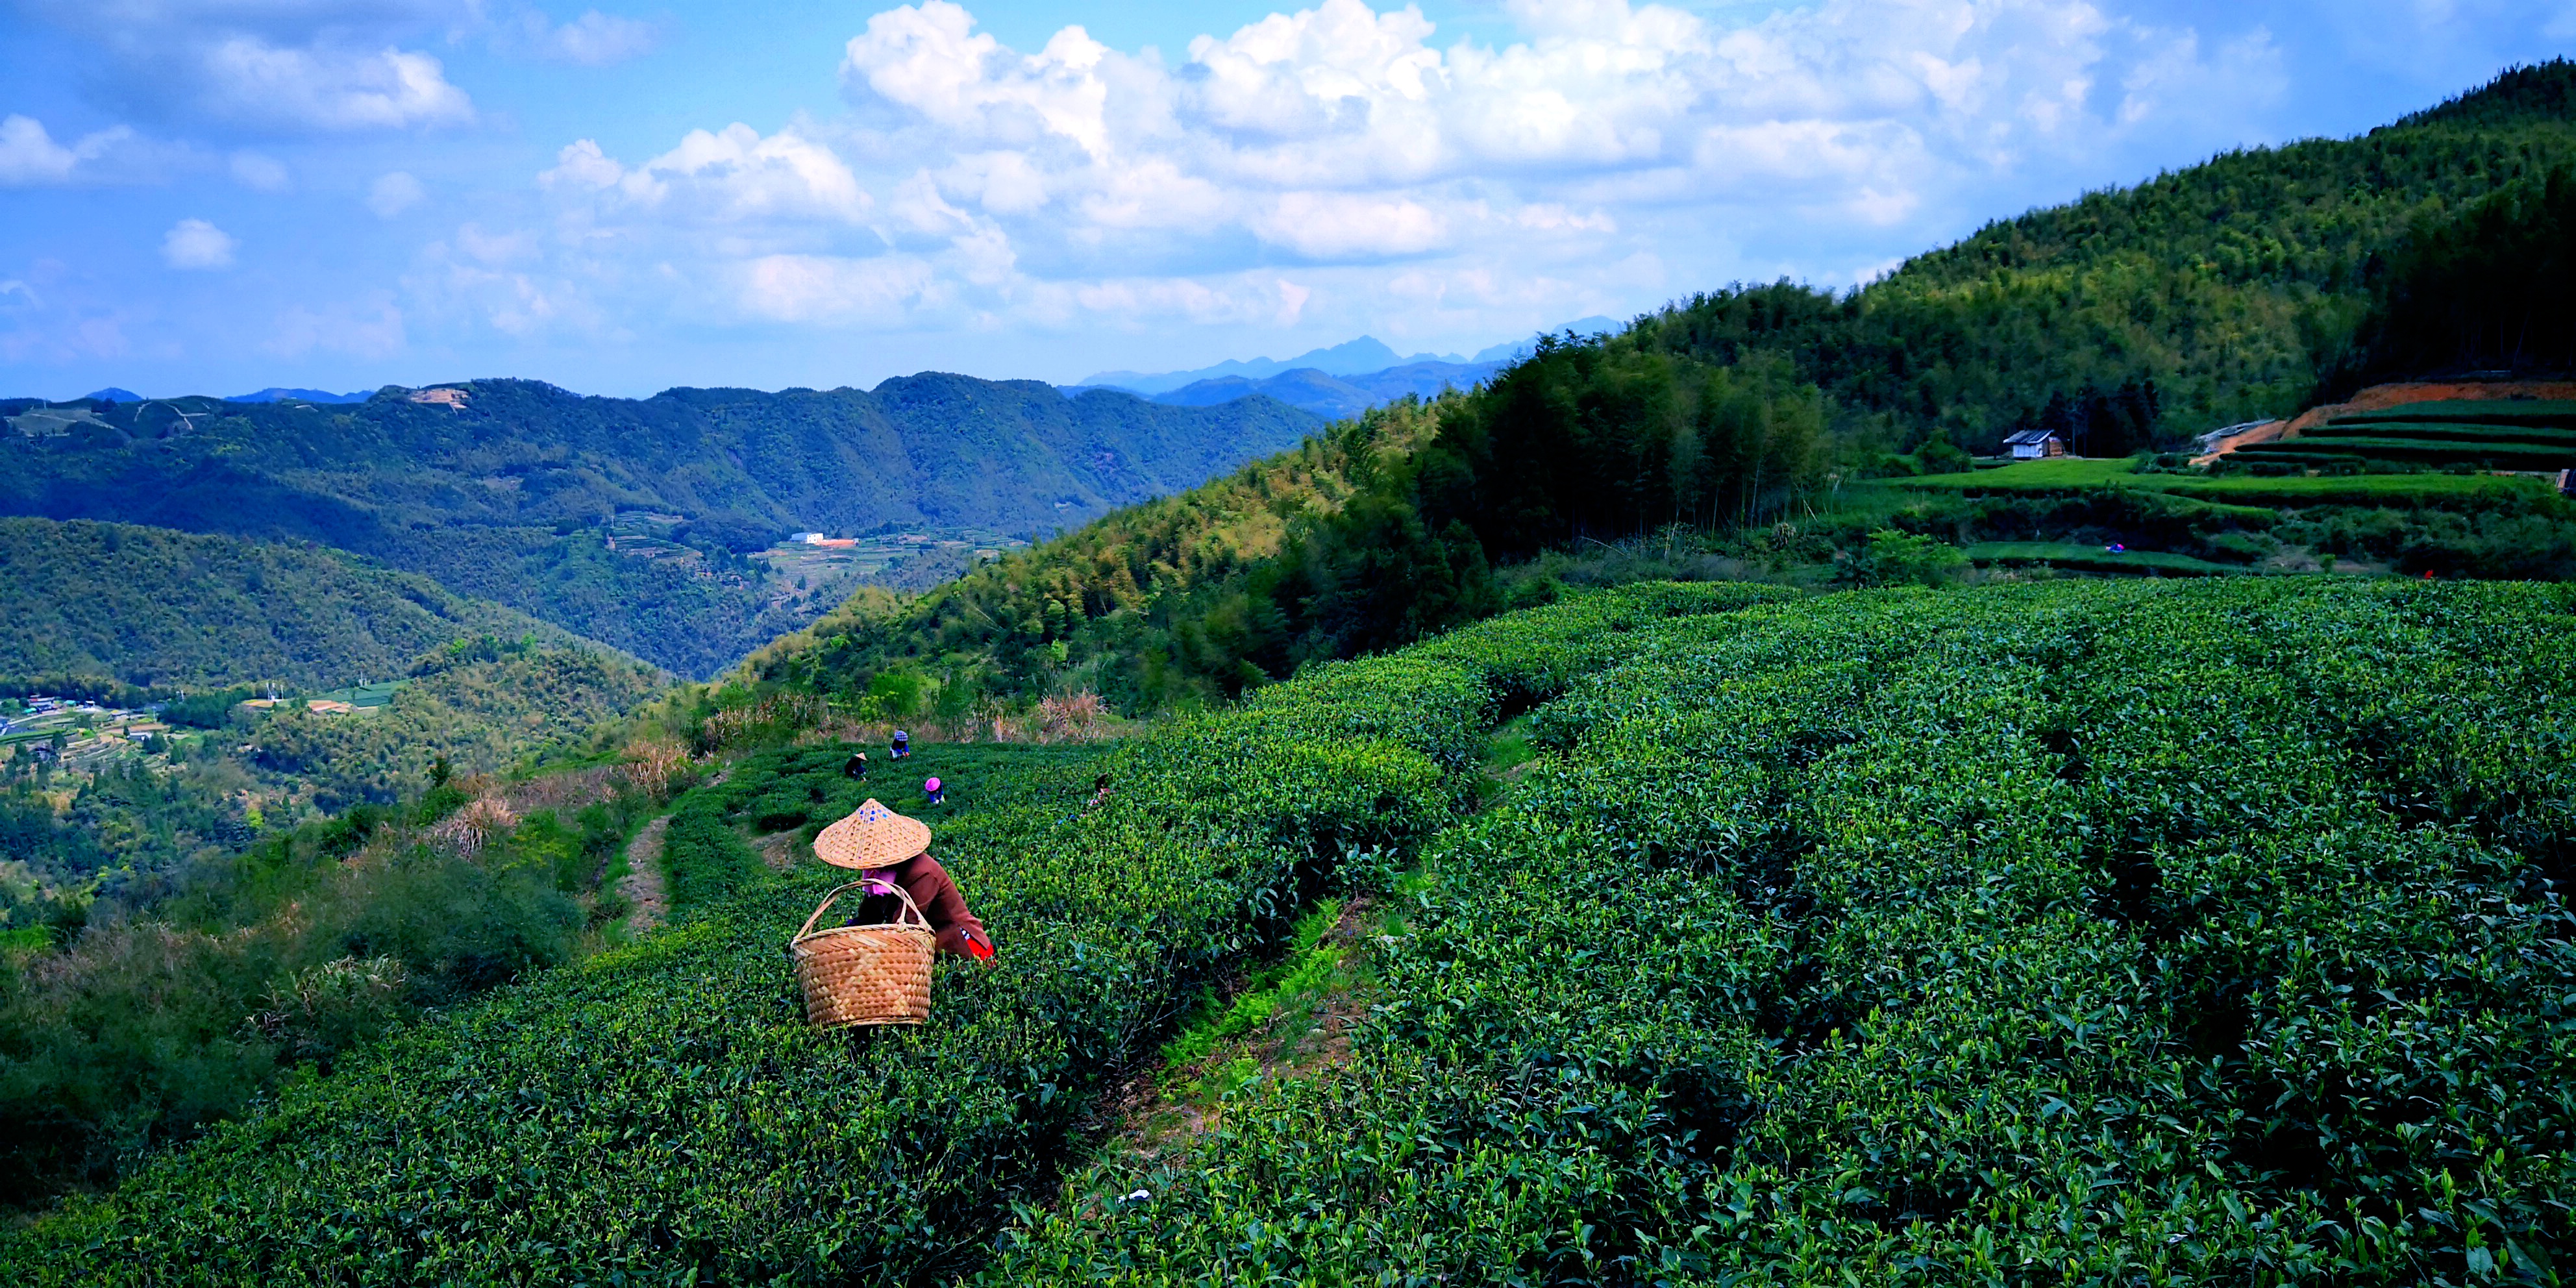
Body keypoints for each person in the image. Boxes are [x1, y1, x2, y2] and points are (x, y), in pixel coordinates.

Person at [813, 799, 994, 960]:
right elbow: (870, 913)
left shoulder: (922, 873)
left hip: (962, 948)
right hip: (932, 946)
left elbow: (906, 926)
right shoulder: (878, 873)